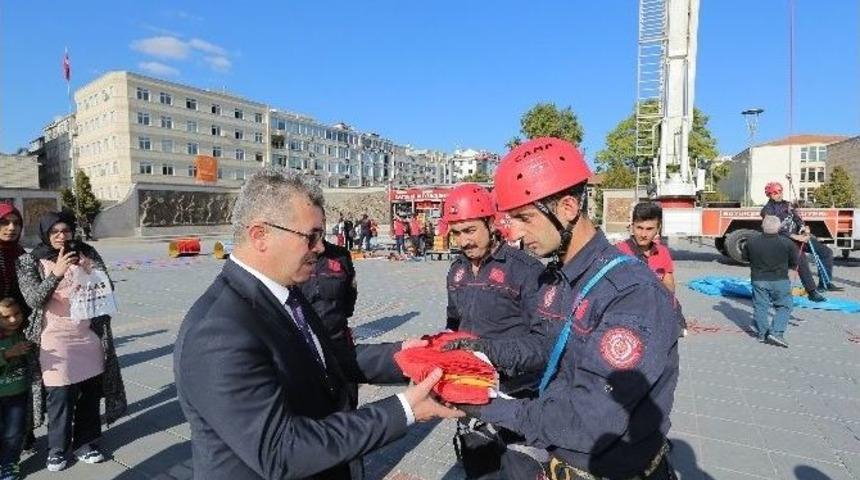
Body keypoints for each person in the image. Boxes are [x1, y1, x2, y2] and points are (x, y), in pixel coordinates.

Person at [174, 168, 461, 480]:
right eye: (310, 236)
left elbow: (326, 360)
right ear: (260, 236)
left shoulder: (286, 293)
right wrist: (406, 409)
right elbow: (281, 451)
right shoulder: (217, 331)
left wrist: (405, 356)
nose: (321, 248)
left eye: (321, 235)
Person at [444, 138, 680, 479]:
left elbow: (590, 419)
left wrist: (482, 404)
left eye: (524, 218)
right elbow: (543, 347)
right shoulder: (559, 280)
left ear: (567, 208)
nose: (517, 235)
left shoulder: (631, 293)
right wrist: (478, 350)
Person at [443, 183, 545, 479]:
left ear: (491, 223)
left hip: (517, 395)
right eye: (457, 232)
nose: (464, 240)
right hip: (472, 394)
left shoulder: (525, 270)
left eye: (470, 230)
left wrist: (486, 352)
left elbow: (543, 344)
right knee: (479, 469)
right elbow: (453, 324)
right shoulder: (456, 271)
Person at [16, 211, 126, 472]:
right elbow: (33, 300)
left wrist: (90, 274)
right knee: (60, 395)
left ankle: (86, 442)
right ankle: (57, 449)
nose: (61, 236)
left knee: (89, 393)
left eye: (65, 231)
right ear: (45, 234)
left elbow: (107, 288)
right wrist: (57, 273)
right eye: (54, 232)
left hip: (87, 335)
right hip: (54, 338)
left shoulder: (87, 252)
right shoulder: (30, 261)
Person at [299, 237, 359, 407]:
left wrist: (341, 315)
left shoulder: (340, 255)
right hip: (303, 345)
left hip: (337, 338)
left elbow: (350, 293)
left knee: (346, 400)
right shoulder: (291, 255)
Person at [615, 202, 688, 337]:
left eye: (649, 229)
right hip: (627, 323)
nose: (643, 234)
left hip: (657, 320)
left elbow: (670, 289)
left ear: (658, 229)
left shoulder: (663, 252)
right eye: (639, 228)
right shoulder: (618, 251)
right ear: (632, 226)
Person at [760, 181, 838, 302]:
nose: (778, 194)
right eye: (775, 193)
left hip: (798, 237)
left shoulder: (788, 205)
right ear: (769, 195)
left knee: (826, 252)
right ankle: (811, 291)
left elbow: (797, 218)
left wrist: (803, 228)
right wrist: (795, 237)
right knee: (800, 258)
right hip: (782, 241)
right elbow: (774, 229)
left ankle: (824, 283)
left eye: (780, 191)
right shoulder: (767, 210)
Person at [742, 216, 796, 348]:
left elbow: (745, 258)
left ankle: (763, 334)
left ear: (762, 226)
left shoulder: (751, 241)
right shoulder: (787, 243)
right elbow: (794, 262)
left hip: (758, 279)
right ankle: (776, 332)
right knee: (784, 306)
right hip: (780, 279)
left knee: (761, 306)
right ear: (779, 227)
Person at [0, 297, 31, 480]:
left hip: (18, 393)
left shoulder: (24, 333)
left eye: (16, 314)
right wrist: (9, 353)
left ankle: (10, 462)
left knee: (14, 432)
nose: (13, 319)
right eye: (6, 317)